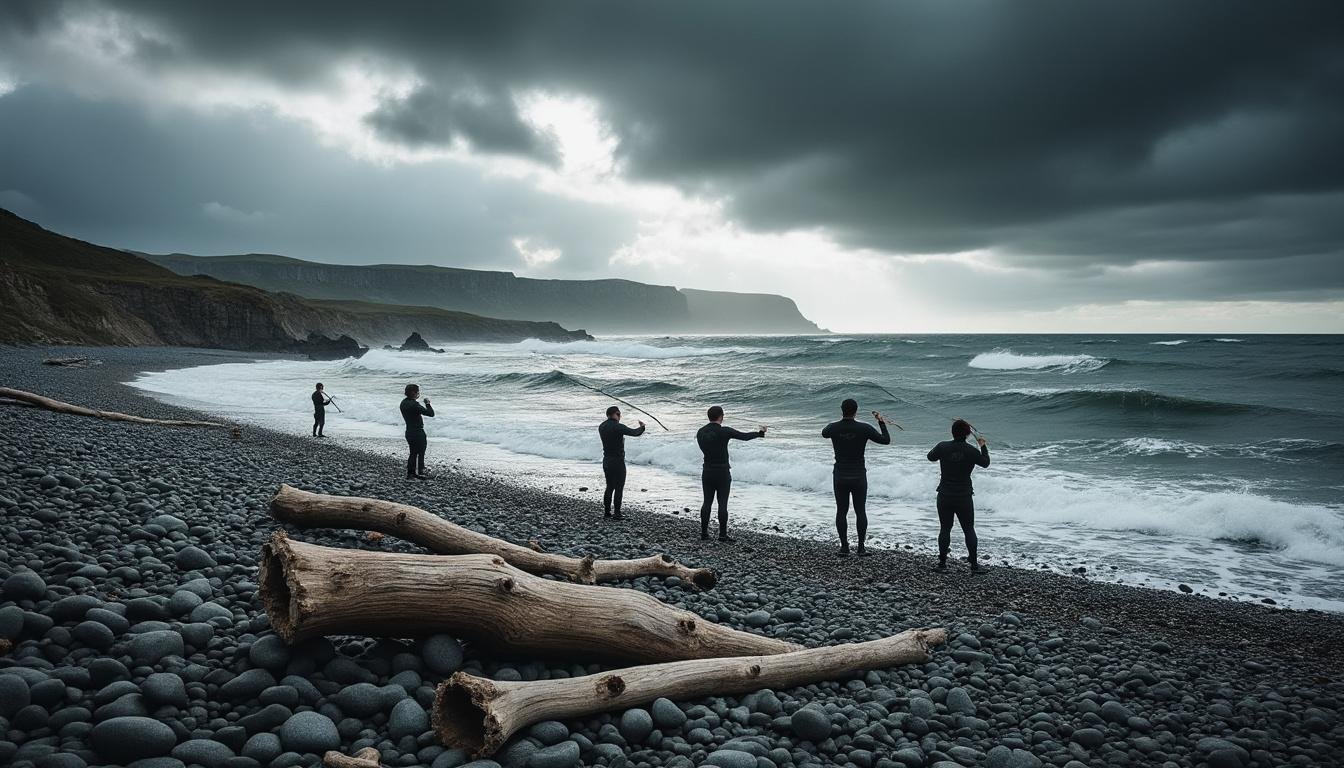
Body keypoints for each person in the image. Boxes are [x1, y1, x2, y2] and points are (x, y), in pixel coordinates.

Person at [822, 399, 892, 556]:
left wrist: (836, 423)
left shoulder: (834, 428)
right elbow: (885, 440)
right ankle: (861, 548)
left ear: (841, 410)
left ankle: (844, 547)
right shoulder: (864, 428)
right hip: (858, 475)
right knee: (860, 511)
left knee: (841, 510)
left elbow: (824, 432)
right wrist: (881, 422)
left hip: (840, 475)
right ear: (856, 411)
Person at [927, 419, 990, 572]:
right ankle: (974, 566)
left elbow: (930, 457)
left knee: (945, 529)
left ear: (952, 432)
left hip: (944, 494)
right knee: (968, 529)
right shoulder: (971, 451)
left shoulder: (943, 446)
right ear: (968, 434)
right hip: (963, 496)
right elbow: (985, 463)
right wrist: (983, 446)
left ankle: (942, 564)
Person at [696, 406, 766, 542]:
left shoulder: (700, 432)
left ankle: (704, 534)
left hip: (707, 471)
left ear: (709, 416)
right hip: (722, 472)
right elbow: (744, 437)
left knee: (707, 502)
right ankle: (722, 535)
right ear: (721, 416)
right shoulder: (725, 431)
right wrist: (760, 433)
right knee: (722, 504)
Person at [598, 405, 645, 519]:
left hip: (606, 461)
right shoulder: (617, 427)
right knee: (619, 487)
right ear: (615, 414)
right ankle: (617, 513)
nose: (620, 417)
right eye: (619, 414)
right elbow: (635, 433)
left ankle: (607, 512)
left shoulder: (601, 426)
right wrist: (642, 427)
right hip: (618, 462)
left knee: (609, 486)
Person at [400, 384, 434, 479]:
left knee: (413, 452)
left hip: (409, 431)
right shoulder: (414, 405)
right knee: (421, 452)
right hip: (418, 432)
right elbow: (431, 414)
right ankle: (420, 471)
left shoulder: (403, 403)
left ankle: (411, 472)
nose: (418, 393)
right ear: (412, 392)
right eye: (417, 391)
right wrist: (427, 403)